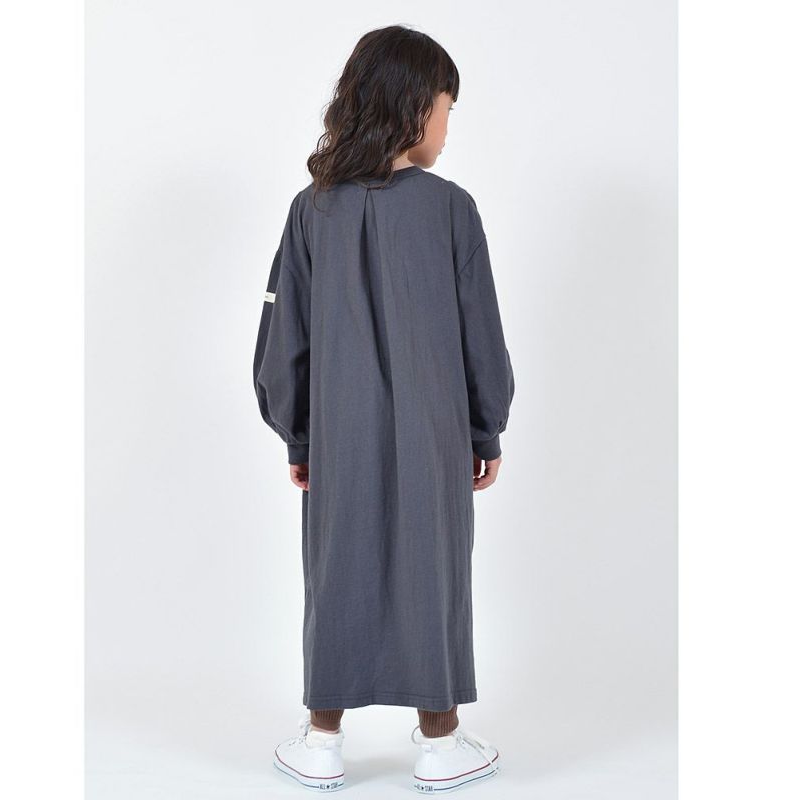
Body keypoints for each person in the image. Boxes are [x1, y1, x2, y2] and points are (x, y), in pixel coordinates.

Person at [254, 23, 514, 793]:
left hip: (340, 437)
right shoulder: (451, 210)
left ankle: (321, 740)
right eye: (446, 110)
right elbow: (481, 336)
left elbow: (283, 339)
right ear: (414, 107)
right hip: (436, 437)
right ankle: (440, 743)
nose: (448, 128)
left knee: (336, 568)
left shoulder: (312, 211)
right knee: (435, 570)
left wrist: (299, 435)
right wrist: (485, 428)